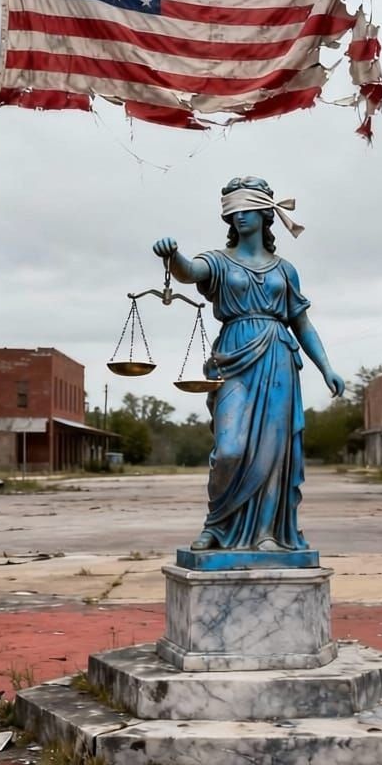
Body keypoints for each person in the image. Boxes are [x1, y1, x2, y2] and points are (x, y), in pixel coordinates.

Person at [153, 176, 345, 552]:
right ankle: (217, 525)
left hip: (277, 359)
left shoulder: (285, 270)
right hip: (234, 357)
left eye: (245, 210)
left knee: (273, 454)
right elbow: (189, 272)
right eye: (232, 211)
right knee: (230, 449)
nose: (238, 217)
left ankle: (267, 533)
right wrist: (172, 256)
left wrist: (326, 367)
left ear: (264, 213)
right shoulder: (219, 261)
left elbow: (301, 322)